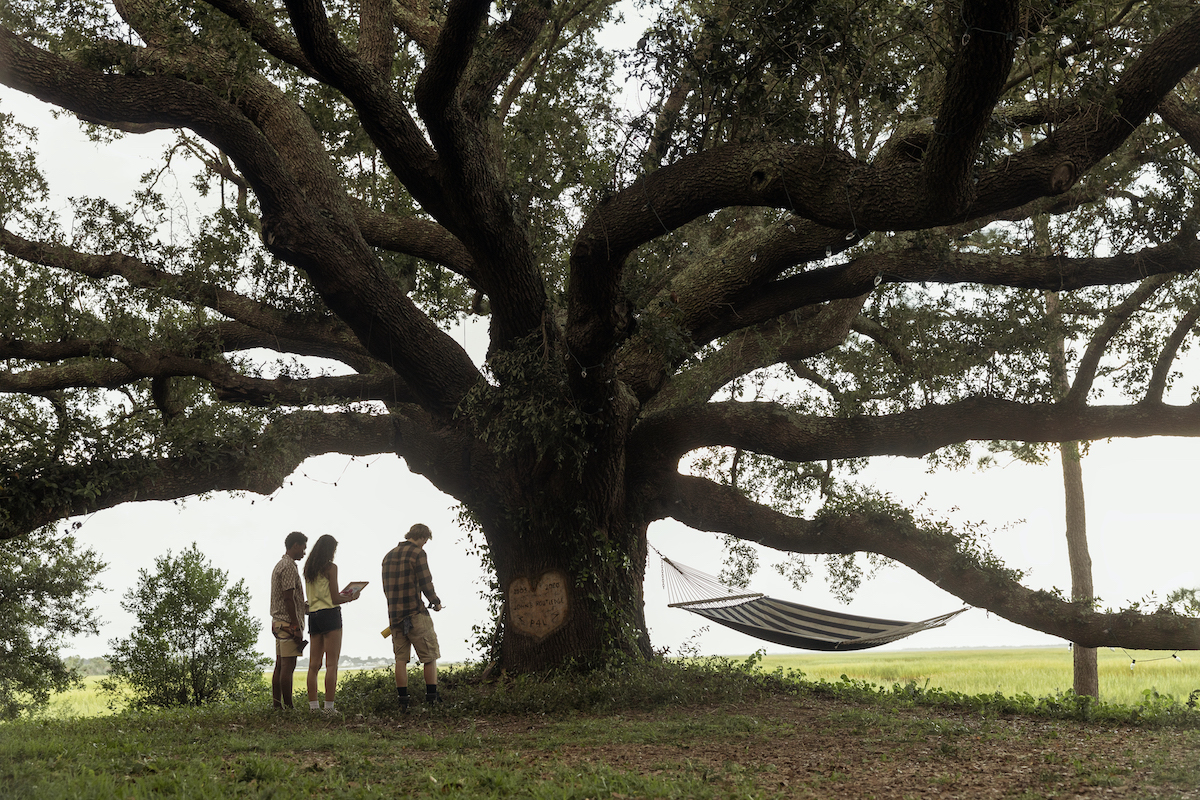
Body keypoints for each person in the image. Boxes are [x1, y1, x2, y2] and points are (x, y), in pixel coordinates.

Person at [382, 523, 443, 712]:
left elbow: (386, 589)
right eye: (425, 541)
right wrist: (435, 602)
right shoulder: (418, 553)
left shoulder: (388, 556)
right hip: (415, 613)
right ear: (423, 537)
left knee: (400, 659)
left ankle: (403, 701)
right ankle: (432, 697)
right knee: (429, 656)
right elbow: (426, 582)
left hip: (395, 617)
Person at [302, 534, 359, 713]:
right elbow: (334, 598)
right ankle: (329, 707)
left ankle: (313, 707)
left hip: (313, 615)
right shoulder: (331, 568)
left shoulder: (308, 569)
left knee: (313, 665)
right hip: (330, 614)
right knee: (332, 664)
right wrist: (351, 597)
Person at [270, 531, 307, 709]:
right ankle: (289, 706)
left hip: (278, 622)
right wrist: (296, 625)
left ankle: (277, 705)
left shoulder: (280, 564)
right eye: (303, 548)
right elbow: (288, 598)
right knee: (288, 665)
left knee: (279, 665)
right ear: (295, 545)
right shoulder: (289, 567)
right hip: (287, 623)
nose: (304, 553)